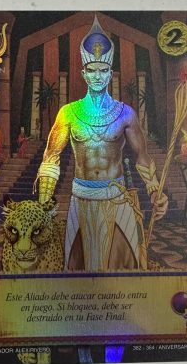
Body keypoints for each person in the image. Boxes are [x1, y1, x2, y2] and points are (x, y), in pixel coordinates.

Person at [34, 16, 168, 270]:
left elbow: (142, 157)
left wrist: (154, 190)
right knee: (77, 268)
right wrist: (43, 202)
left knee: (125, 266)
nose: (97, 76)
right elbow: (50, 158)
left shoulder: (125, 113)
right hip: (81, 198)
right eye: (92, 70)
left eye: (103, 70)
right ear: (83, 73)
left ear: (110, 73)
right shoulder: (68, 113)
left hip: (117, 198)